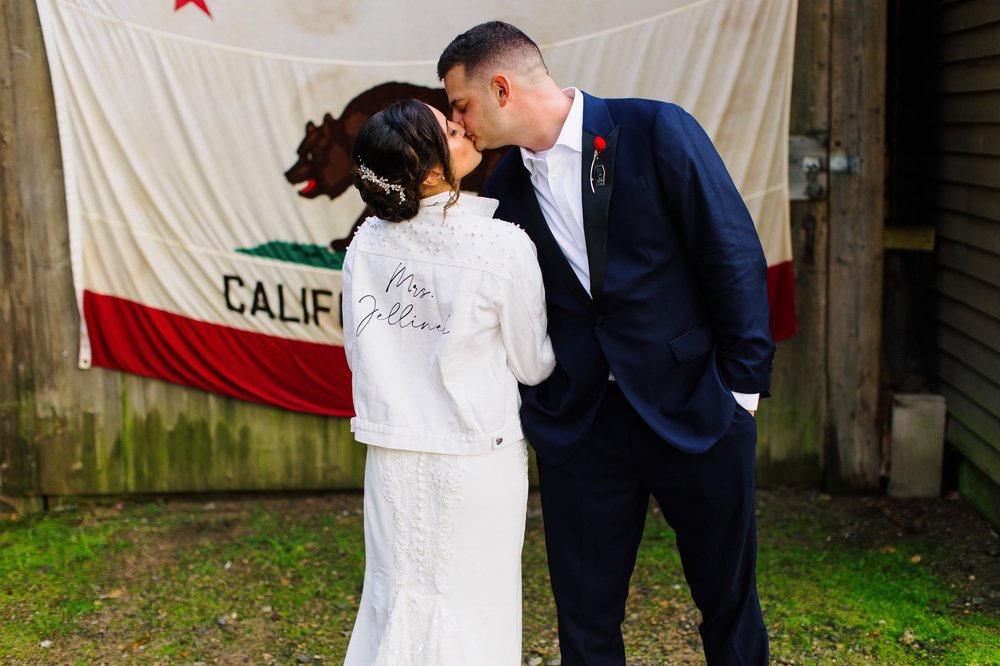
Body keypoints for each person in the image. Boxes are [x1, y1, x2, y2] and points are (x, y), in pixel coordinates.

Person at [438, 22, 775, 666]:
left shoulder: (655, 131)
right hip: (584, 428)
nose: (457, 122)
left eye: (461, 105)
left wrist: (742, 391)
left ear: (501, 87)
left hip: (696, 407)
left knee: (729, 604)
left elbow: (731, 253)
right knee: (585, 621)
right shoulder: (504, 188)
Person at [339, 99, 555, 665]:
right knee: (475, 606)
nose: (463, 128)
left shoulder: (364, 244)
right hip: (477, 453)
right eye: (448, 129)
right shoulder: (501, 245)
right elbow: (535, 364)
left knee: (397, 597)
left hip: (393, 453)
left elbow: (356, 349)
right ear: (428, 166)